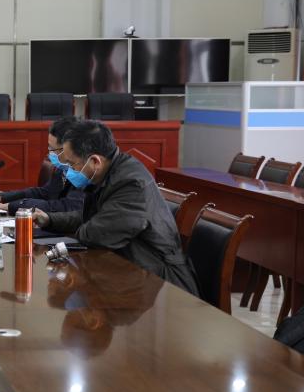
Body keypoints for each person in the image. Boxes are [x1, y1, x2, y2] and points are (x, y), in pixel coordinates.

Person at [33, 120, 199, 297]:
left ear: (95, 161)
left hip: (160, 284)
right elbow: (92, 218)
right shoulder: (109, 172)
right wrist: (49, 220)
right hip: (127, 273)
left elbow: (96, 234)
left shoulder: (130, 183)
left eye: (72, 164)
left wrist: (81, 229)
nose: (68, 171)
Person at [0, 116, 84, 214]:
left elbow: (65, 207)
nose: (49, 153)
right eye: (49, 147)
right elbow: (45, 192)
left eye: (53, 149)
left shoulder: (85, 173)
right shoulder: (63, 167)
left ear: (69, 149)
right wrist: (2, 197)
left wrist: (13, 206)